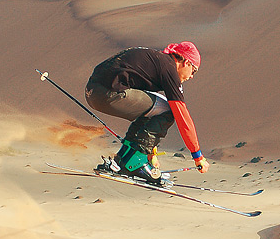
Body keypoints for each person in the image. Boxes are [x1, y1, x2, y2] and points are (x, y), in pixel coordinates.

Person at [84, 41, 210, 185]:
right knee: (169, 110)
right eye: (194, 71)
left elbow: (150, 112)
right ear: (186, 62)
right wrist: (197, 156)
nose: (192, 76)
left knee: (155, 107)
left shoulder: (158, 61)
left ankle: (123, 159)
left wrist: (152, 152)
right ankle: (136, 161)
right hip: (108, 93)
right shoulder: (169, 68)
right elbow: (182, 116)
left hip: (93, 92)